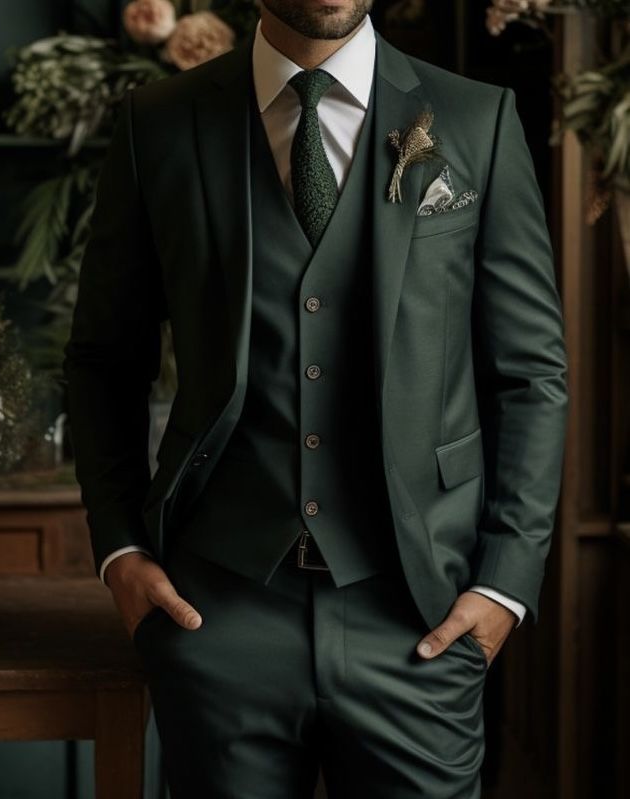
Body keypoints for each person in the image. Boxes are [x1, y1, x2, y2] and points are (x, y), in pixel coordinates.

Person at [63, 1, 569, 796]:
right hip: (217, 616)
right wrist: (121, 550)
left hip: (419, 618)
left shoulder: (478, 119)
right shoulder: (157, 124)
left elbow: (532, 373)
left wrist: (505, 580)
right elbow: (102, 362)